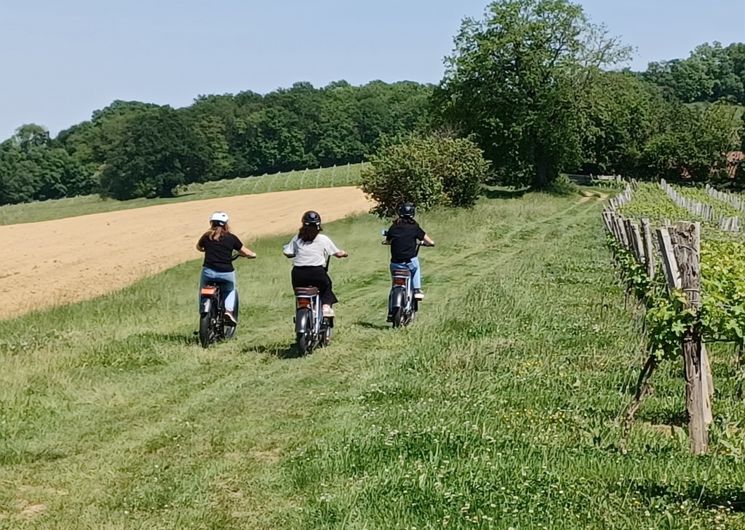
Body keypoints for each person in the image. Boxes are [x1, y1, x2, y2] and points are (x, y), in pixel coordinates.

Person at [283, 211, 348, 317]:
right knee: (326, 285)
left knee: (301, 292)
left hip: (298, 273)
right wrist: (344, 253)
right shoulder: (323, 239)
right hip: (316, 272)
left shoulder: (297, 238)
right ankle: (326, 307)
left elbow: (288, 252)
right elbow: (337, 253)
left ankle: (306, 306)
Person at [196, 211, 256, 325]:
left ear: (211, 223)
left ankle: (203, 310)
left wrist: (206, 249)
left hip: (208, 272)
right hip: (226, 273)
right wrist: (252, 255)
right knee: (230, 289)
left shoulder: (206, 236)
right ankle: (228, 311)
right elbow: (245, 251)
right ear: (225, 224)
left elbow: (198, 247)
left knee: (202, 291)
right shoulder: (231, 238)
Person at [385, 202, 435, 300]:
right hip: (409, 262)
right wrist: (431, 243)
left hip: (395, 263)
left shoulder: (394, 226)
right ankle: (417, 290)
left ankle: (395, 290)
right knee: (416, 268)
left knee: (395, 280)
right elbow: (428, 240)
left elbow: (387, 240)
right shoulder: (414, 227)